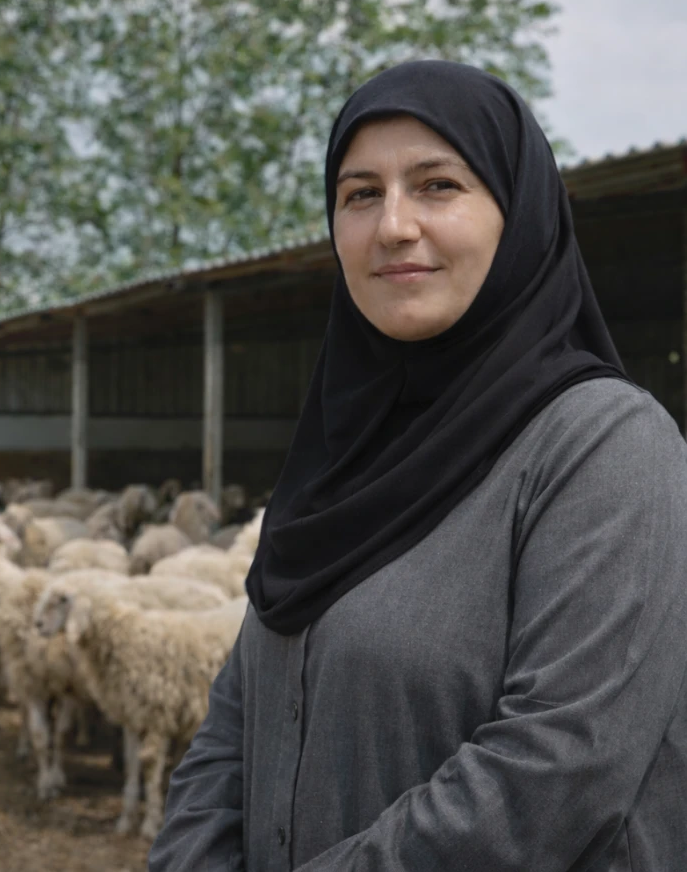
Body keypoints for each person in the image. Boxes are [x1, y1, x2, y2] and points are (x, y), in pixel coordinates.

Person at [148, 60, 687, 871]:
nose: (393, 225)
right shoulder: (336, 458)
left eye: (438, 185)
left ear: (519, 215)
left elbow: (556, 771)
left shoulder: (603, 447)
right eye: (361, 194)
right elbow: (235, 728)